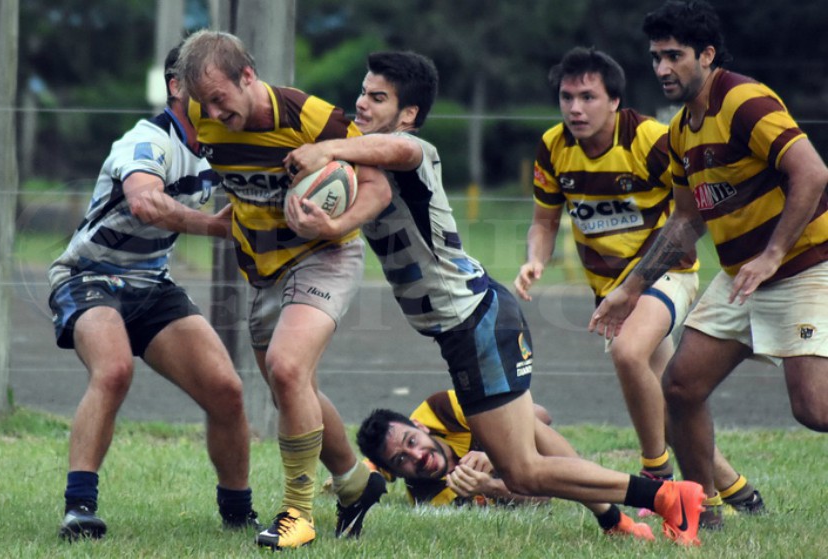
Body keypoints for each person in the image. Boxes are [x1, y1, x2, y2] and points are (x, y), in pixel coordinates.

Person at [284, 50, 707, 546]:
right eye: (361, 92)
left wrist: (325, 151)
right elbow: (373, 193)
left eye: (378, 98)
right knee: (529, 449)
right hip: (467, 327)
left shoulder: (413, 150)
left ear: (408, 116)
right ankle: (617, 519)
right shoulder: (363, 165)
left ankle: (667, 497)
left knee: (523, 470)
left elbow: (399, 154)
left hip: (476, 324)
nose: (361, 104)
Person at [590, 0, 828, 527]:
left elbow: (812, 173)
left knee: (815, 411)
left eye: (674, 56)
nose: (662, 69)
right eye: (655, 58)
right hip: (742, 277)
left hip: (805, 266)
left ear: (707, 54)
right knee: (680, 387)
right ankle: (705, 513)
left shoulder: (745, 100)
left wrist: (770, 256)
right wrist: (630, 290)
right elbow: (683, 222)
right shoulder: (680, 131)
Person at [514, 46, 762, 526]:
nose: (575, 108)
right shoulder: (554, 145)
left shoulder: (650, 138)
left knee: (629, 354)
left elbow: (689, 216)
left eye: (588, 97)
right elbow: (544, 222)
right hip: (610, 291)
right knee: (669, 399)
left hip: (666, 274)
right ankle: (737, 490)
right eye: (567, 97)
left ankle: (658, 478)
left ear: (614, 101)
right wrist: (534, 260)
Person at [176, 30, 394, 550]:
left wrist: (336, 227)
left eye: (221, 98)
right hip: (263, 267)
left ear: (247, 76)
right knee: (292, 388)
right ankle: (357, 484)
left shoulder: (309, 116)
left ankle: (298, 513)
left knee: (288, 367)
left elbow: (379, 187)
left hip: (324, 254)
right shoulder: (198, 113)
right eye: (202, 102)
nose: (213, 111)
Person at [47, 45, 258, 541]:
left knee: (226, 391)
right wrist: (213, 227)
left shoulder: (223, 144)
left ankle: (237, 513)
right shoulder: (147, 141)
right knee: (114, 368)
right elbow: (144, 202)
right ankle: (79, 508)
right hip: (89, 275)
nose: (218, 98)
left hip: (151, 284)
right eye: (205, 84)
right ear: (177, 87)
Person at [357, 390, 554, 507]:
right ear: (396, 473)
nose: (418, 456)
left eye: (412, 441)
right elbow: (543, 498)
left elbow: (542, 415)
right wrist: (491, 488)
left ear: (420, 426)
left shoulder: (443, 409)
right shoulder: (430, 497)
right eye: (401, 460)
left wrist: (496, 452)